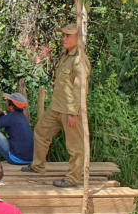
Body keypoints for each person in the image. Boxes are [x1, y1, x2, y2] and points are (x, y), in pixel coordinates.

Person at [24, 23, 90, 187]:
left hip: (70, 111)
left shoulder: (79, 60)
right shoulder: (66, 56)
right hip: (57, 107)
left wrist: (73, 112)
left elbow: (80, 89)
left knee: (75, 147)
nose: (64, 38)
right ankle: (37, 166)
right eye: (63, 35)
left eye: (68, 35)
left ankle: (72, 178)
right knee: (41, 131)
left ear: (78, 38)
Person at [0, 92, 33, 165]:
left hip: (17, 160)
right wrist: (0, 114)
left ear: (11, 107)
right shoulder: (23, 117)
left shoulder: (10, 118)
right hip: (30, 160)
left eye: (7, 103)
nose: (6, 105)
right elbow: (7, 121)